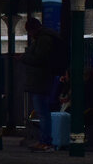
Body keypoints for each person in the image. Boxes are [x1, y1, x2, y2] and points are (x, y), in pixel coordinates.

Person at [21, 17, 62, 151]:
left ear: (33, 29)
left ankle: (46, 142)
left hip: (41, 80)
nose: (29, 35)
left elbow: (39, 58)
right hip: (42, 80)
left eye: (29, 31)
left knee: (43, 112)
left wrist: (24, 57)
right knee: (43, 112)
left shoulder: (44, 40)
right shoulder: (45, 38)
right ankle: (45, 141)